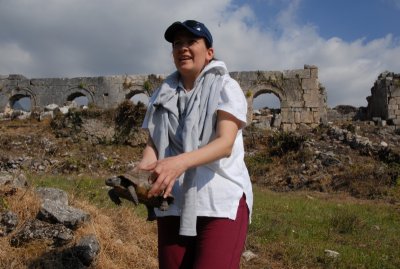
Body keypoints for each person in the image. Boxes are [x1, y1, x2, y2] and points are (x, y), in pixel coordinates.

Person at [138, 19, 253, 269]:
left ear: (209, 52)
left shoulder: (226, 87)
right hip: (173, 200)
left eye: (191, 41)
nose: (183, 48)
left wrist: (178, 164)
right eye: (177, 43)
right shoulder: (162, 94)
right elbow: (154, 145)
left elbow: (225, 144)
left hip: (219, 202)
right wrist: (138, 177)